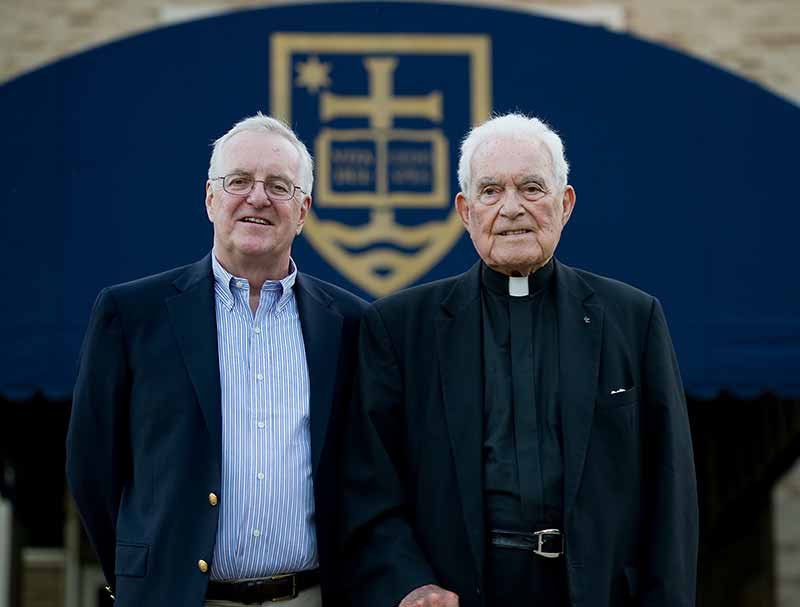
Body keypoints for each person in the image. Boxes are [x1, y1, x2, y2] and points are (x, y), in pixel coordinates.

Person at [340, 113, 698, 607]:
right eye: (490, 191)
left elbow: (671, 493)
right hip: (458, 595)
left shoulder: (633, 319)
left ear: (564, 203)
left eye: (531, 188)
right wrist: (410, 584)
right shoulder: (400, 329)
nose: (511, 208)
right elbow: (369, 487)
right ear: (465, 210)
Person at [66, 113, 366, 606]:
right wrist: (144, 574)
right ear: (210, 198)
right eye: (239, 181)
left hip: (313, 597)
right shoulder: (132, 315)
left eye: (279, 186)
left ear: (304, 209)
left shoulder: (352, 324)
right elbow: (90, 466)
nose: (258, 197)